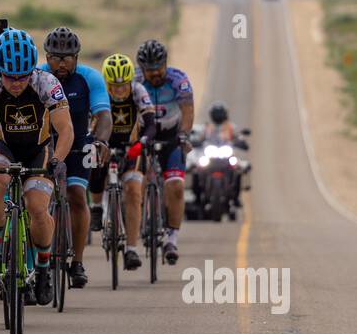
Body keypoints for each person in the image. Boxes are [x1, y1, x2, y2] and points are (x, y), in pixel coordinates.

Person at [0, 28, 73, 306]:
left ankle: (43, 269)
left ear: (32, 70)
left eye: (23, 76)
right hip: (2, 146)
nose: (18, 83)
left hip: (38, 149)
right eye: (10, 76)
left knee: (37, 207)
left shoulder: (47, 82)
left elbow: (66, 128)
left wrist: (58, 159)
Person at [38, 26, 111, 289]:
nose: (60, 63)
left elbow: (104, 115)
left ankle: (77, 261)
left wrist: (101, 140)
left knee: (78, 196)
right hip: (45, 144)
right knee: (38, 199)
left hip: (80, 143)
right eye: (54, 57)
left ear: (77, 57)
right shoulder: (38, 76)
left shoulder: (89, 78)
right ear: (46, 57)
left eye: (67, 57)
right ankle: (39, 258)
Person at [90, 53, 159, 274]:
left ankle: (131, 249)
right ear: (106, 83)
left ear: (131, 81)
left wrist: (145, 141)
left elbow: (150, 123)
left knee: (133, 191)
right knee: (94, 162)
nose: (119, 90)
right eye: (114, 86)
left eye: (123, 85)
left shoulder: (139, 91)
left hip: (131, 147)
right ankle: (97, 207)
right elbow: (88, 121)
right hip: (105, 142)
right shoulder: (99, 92)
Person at [135, 38, 194, 264]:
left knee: (176, 187)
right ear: (142, 69)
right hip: (145, 135)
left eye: (158, 68)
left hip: (171, 137)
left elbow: (187, 111)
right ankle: (140, 220)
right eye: (149, 70)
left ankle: (171, 238)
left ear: (165, 64)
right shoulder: (136, 81)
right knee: (137, 181)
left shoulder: (178, 80)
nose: (155, 74)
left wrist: (184, 134)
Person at [199, 102, 250, 206]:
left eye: (220, 113)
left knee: (240, 169)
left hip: (226, 155)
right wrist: (195, 141)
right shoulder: (207, 127)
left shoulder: (231, 127)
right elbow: (200, 138)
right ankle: (198, 193)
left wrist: (241, 142)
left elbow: (238, 137)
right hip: (211, 155)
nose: (218, 115)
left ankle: (236, 196)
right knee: (196, 168)